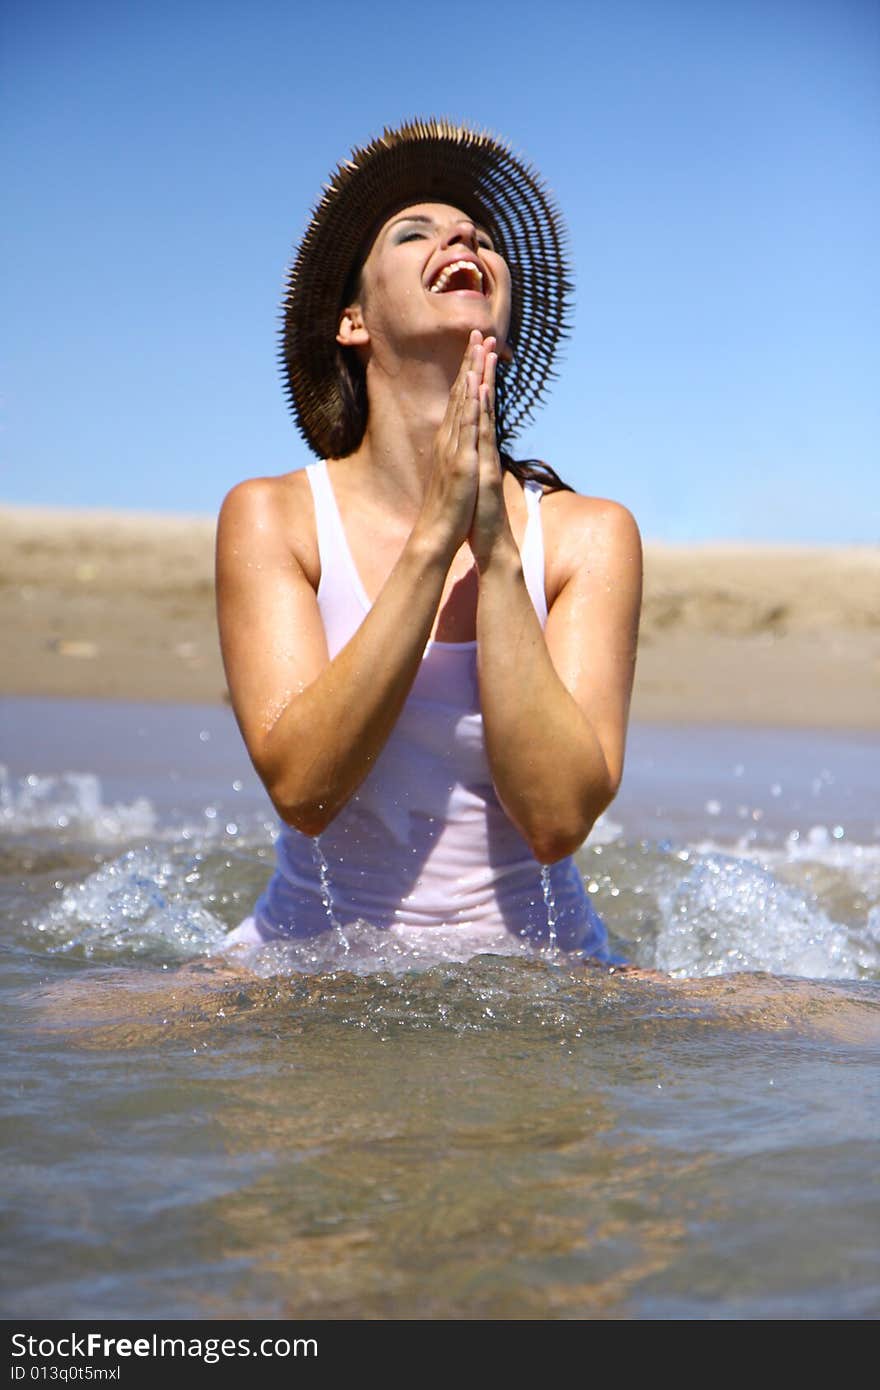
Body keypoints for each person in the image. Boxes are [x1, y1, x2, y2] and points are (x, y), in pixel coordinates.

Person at [216, 118, 641, 965]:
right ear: (352, 322)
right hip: (304, 966)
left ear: (506, 329)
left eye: (481, 237)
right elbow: (303, 790)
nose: (460, 237)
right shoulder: (275, 517)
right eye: (415, 232)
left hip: (541, 977)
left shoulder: (590, 536)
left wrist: (498, 551)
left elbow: (557, 822)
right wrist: (430, 545)